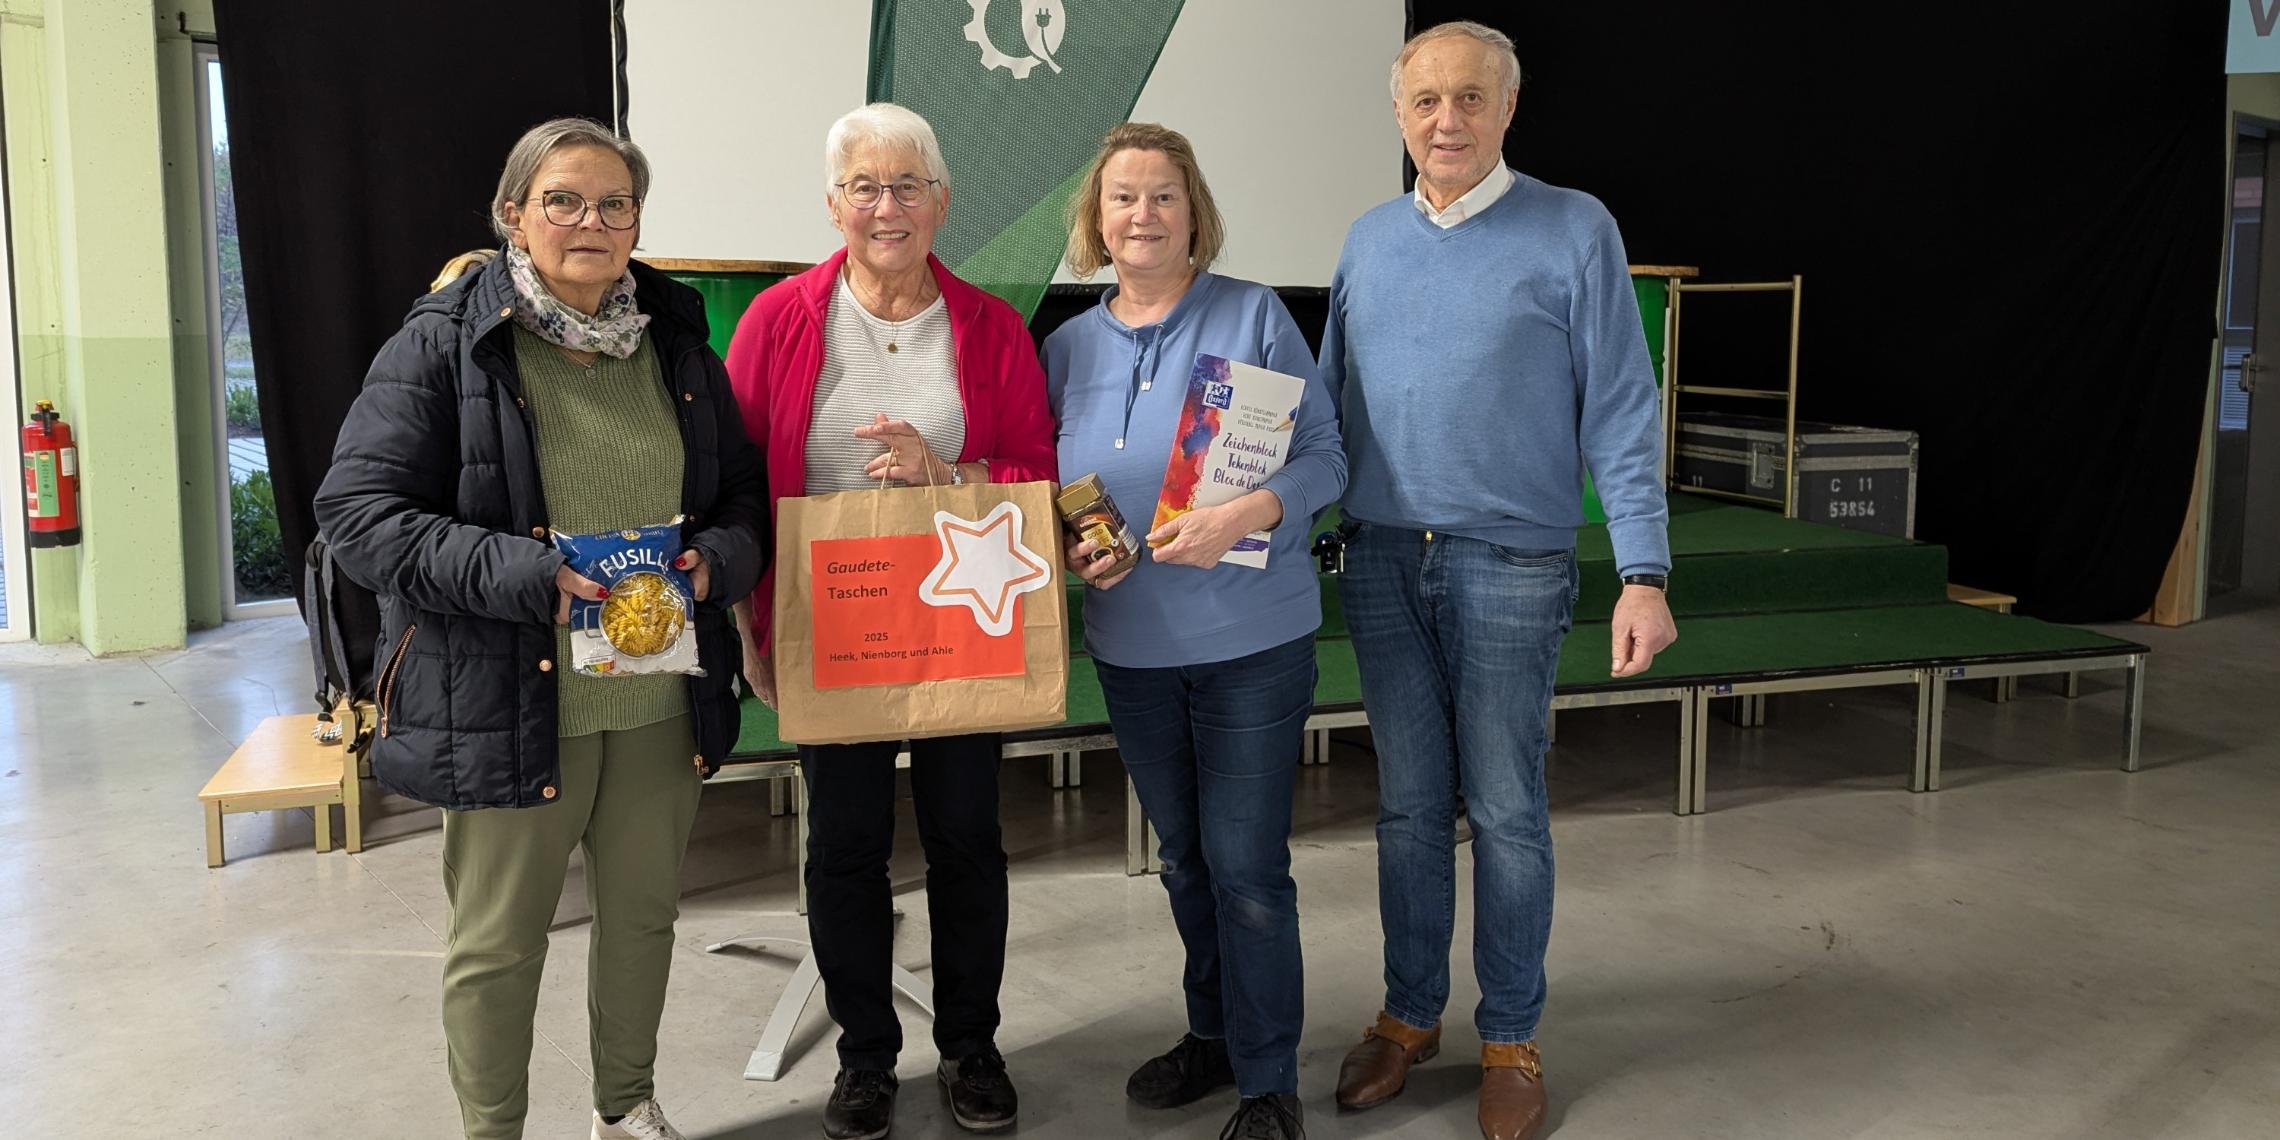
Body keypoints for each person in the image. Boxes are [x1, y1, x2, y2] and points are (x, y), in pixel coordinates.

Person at [313, 117, 769, 1140]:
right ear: (514, 214)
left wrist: (715, 563)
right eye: (563, 200)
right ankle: (493, 1130)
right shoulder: (446, 341)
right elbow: (356, 513)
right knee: (499, 942)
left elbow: (742, 494)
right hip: (510, 696)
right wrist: (526, 574)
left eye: (615, 203)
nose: (591, 222)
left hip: (658, 694)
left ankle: (625, 1107)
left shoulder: (680, 341)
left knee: (644, 922)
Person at [1318, 22, 1679, 1140]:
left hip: (1513, 564)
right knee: (1409, 810)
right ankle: (1410, 1014)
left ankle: (1511, 1033)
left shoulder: (1576, 230)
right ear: (1399, 115)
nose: (1447, 120)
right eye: (1426, 101)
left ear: (1508, 109)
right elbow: (1327, 411)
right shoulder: (1368, 240)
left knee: (1511, 810)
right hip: (1381, 558)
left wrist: (1643, 571)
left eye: (1470, 98)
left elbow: (1621, 406)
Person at [724, 102, 1056, 1140]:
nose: (886, 206)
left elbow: (1037, 475)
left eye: (908, 184)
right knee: (846, 843)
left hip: (965, 614)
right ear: (833, 204)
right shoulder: (778, 322)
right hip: (831, 622)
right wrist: (752, 629)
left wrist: (945, 469)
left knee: (968, 836)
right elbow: (735, 483)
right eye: (864, 186)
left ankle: (972, 1048)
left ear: (942, 201)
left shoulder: (993, 327)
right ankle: (866, 1059)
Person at [1040, 122, 1345, 1140]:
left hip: (1252, 644)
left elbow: (1327, 461)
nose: (1142, 215)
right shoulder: (1067, 347)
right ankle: (1213, 1037)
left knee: (1248, 867)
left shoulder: (1254, 316)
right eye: (1123, 197)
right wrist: (1084, 552)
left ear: (1193, 211)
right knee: (1184, 860)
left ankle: (1269, 1086)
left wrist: (1240, 516)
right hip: (1132, 650)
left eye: (1163, 195)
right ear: (1097, 218)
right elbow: (1056, 498)